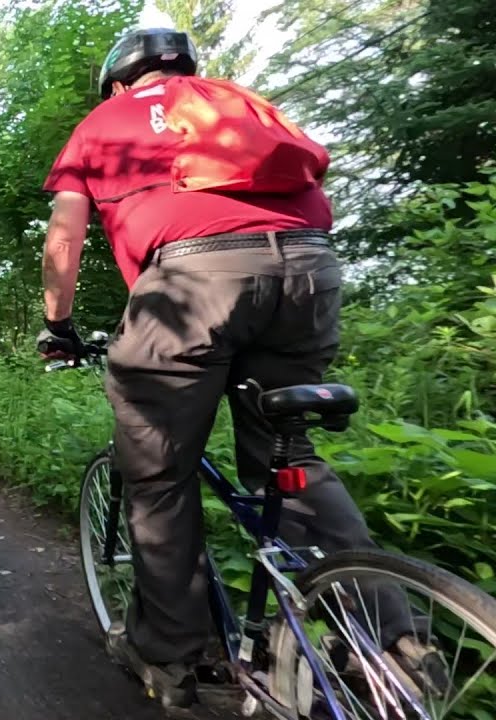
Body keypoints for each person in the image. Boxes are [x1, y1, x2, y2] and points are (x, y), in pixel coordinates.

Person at [36, 26, 433, 708]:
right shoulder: (239, 102)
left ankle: (168, 655)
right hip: (309, 271)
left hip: (194, 283)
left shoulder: (106, 121)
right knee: (290, 458)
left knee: (159, 475)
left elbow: (65, 234)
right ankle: (392, 641)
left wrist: (57, 326)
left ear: (120, 81)